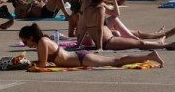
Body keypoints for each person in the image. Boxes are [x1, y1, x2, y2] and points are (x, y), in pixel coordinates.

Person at [80, 0, 175, 51]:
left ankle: (160, 40)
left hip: (108, 39)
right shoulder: (100, 9)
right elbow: (99, 29)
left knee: (130, 37)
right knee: (140, 43)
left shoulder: (87, 10)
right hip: (108, 41)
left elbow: (85, 28)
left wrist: (78, 43)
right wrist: (99, 47)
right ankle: (166, 45)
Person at [19, 23, 164, 69]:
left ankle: (150, 55)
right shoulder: (41, 42)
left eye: (25, 41)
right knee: (117, 60)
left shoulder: (42, 42)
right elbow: (43, 62)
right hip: (79, 58)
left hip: (82, 59)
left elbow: (42, 65)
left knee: (116, 61)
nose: (26, 44)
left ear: (31, 37)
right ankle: (149, 55)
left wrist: (23, 64)